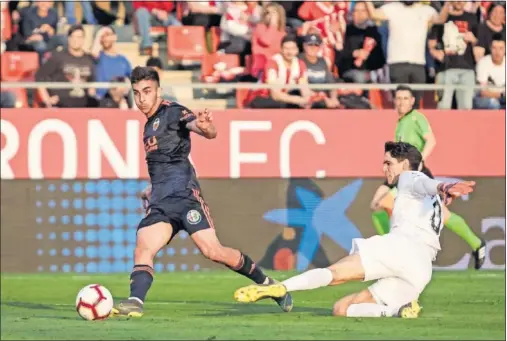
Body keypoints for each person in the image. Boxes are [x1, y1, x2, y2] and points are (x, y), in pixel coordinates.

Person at [110, 67, 292, 318]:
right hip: (162, 203)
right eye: (137, 93)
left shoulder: (172, 111)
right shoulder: (149, 126)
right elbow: (169, 163)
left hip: (186, 199)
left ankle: (268, 284)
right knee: (143, 246)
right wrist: (152, 189)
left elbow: (203, 129)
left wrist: (205, 127)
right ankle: (135, 302)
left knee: (213, 251)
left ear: (158, 91)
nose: (141, 98)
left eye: (147, 92)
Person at [234, 141, 476, 318]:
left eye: (388, 163)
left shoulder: (409, 177)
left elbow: (423, 181)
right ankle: (397, 311)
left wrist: (445, 185)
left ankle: (281, 287)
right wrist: (443, 191)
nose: (384, 168)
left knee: (334, 273)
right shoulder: (428, 195)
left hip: (401, 247)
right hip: (421, 269)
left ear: (404, 164)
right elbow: (433, 196)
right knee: (342, 310)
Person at [370, 85, 486, 269]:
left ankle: (477, 244)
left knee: (441, 214)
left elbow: (431, 140)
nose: (401, 102)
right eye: (398, 98)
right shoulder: (401, 122)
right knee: (377, 205)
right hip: (402, 174)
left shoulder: (417, 118)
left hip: (416, 173)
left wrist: (420, 160)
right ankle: (393, 253)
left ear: (412, 101)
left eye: (405, 98)